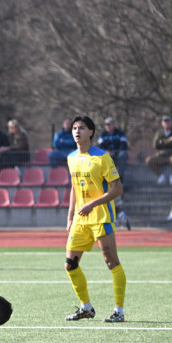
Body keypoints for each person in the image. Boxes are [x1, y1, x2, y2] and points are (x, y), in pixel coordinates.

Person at [63, 114, 128, 325]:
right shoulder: (71, 158)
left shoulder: (102, 157)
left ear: (90, 132)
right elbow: (74, 187)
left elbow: (117, 189)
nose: (76, 131)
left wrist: (92, 204)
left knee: (111, 262)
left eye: (81, 128)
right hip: (81, 220)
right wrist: (70, 215)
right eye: (74, 128)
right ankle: (86, 308)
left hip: (101, 217)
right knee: (70, 265)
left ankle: (119, 311)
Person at [147, 115, 172, 185]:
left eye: (168, 122)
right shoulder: (159, 132)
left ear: (171, 123)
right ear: (162, 123)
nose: (167, 123)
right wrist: (168, 140)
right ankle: (161, 176)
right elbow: (155, 145)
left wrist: (161, 142)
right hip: (161, 156)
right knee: (149, 160)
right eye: (165, 122)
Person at [97, 117, 129, 182]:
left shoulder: (120, 133)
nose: (107, 126)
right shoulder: (103, 134)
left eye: (109, 124)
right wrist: (106, 151)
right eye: (106, 125)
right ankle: (105, 179)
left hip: (118, 153)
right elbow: (100, 146)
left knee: (123, 154)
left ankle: (120, 177)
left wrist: (116, 152)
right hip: (107, 153)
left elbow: (124, 145)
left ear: (113, 124)